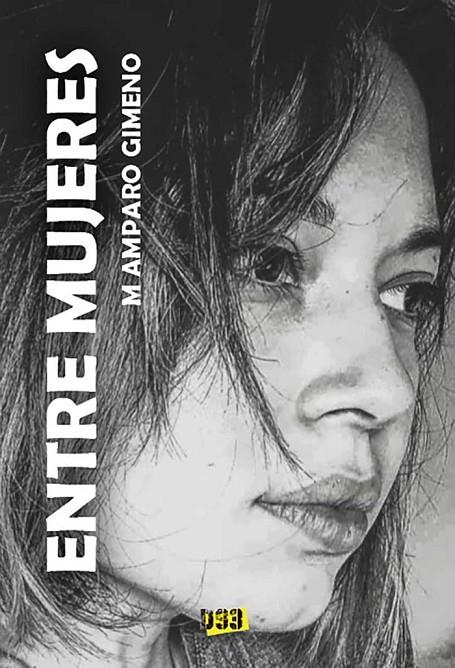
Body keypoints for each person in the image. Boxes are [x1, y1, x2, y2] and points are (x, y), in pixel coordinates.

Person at [0, 0, 454, 666]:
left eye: (410, 293)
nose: (390, 390)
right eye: (267, 262)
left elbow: (227, 630)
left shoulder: (210, 625)